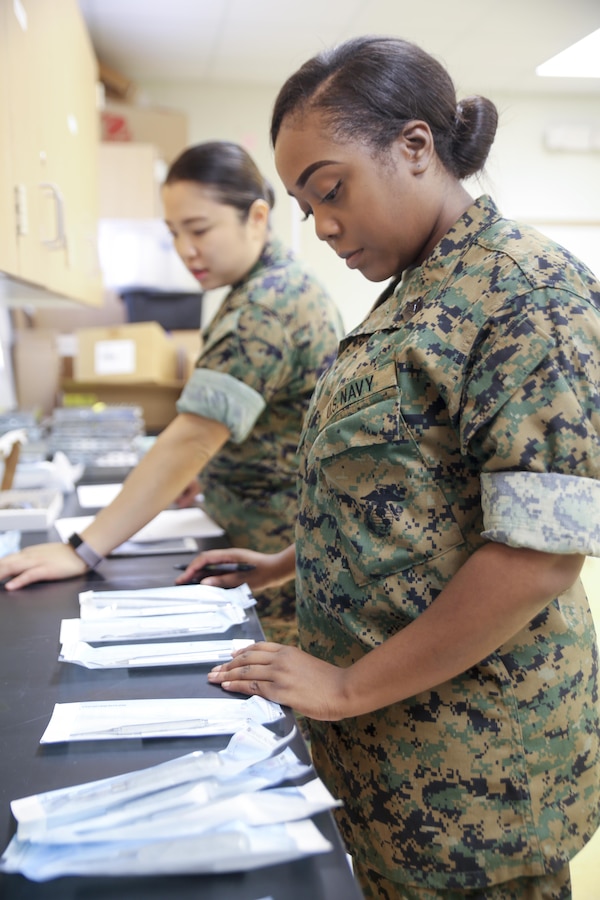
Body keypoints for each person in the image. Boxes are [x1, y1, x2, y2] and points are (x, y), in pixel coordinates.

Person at [194, 37, 600, 900]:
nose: (325, 227)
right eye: (306, 208)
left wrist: (345, 685)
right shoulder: (415, 293)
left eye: (332, 191)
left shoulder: (526, 295)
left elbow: (538, 556)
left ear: (415, 146)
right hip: (386, 756)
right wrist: (291, 565)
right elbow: (407, 494)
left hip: (475, 777)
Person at [0, 140, 344, 645]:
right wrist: (204, 473)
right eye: (174, 233)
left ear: (256, 216)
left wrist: (81, 549)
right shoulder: (272, 286)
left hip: (266, 548)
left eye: (199, 229)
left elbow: (192, 438)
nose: (186, 250)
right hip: (258, 530)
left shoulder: (265, 306)